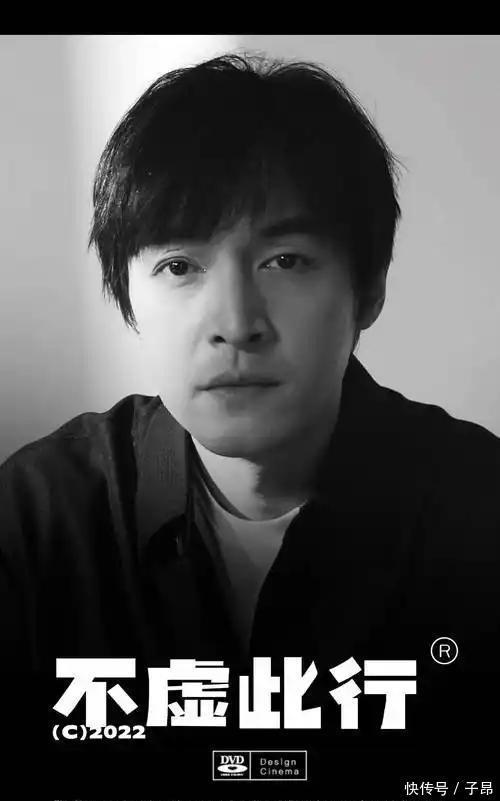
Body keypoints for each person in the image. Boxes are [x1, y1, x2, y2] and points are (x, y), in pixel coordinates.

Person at [1, 53, 499, 794]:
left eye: (286, 260)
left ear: (368, 290)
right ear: (128, 298)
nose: (236, 323)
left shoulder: (478, 509)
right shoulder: (40, 515)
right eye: (179, 265)